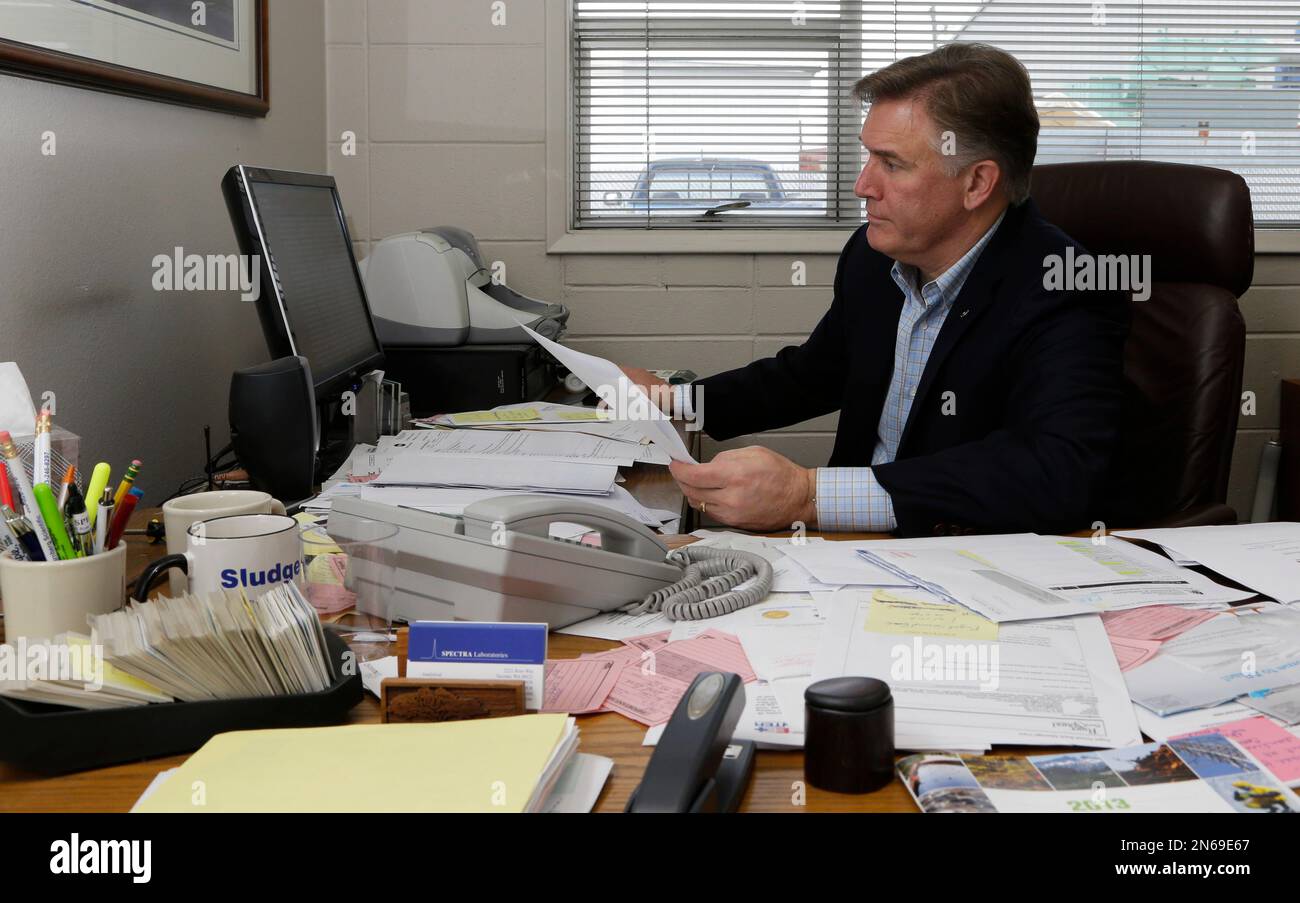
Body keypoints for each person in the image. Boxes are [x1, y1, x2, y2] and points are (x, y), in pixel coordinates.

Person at [621, 43, 1128, 536]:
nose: (863, 185)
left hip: (967, 558)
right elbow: (815, 374)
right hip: (851, 554)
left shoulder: (1069, 285)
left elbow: (1056, 471)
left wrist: (808, 494)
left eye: (892, 163)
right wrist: (680, 403)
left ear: (977, 183)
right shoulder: (876, 254)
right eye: (868, 158)